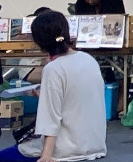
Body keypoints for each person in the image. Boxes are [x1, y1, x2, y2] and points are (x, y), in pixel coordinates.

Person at [3, 12, 106, 162]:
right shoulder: (88, 60)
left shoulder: (53, 69)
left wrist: (46, 156)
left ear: (38, 42)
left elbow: (50, 118)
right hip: (94, 145)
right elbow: (75, 98)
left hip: (66, 149)